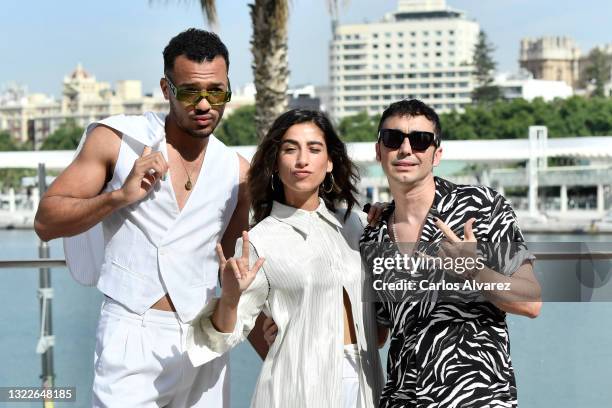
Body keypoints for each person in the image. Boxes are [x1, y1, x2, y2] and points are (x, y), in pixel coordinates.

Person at [34, 28, 265, 407]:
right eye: (190, 92)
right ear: (165, 88)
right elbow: (46, 220)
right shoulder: (119, 141)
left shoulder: (237, 171)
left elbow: (236, 270)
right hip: (132, 336)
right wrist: (119, 197)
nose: (204, 104)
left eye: (217, 92)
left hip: (204, 340)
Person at [186, 109, 386, 407]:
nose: (302, 159)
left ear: (330, 161)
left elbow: (380, 329)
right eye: (290, 149)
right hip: (295, 390)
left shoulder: (358, 226)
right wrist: (228, 298)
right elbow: (220, 339)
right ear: (276, 162)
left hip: (366, 386)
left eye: (314, 149)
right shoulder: (259, 242)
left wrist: (389, 223)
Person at [359, 99, 542, 407]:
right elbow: (377, 333)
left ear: (436, 154)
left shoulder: (481, 206)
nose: (406, 150)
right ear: (378, 151)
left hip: (476, 398)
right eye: (393, 139)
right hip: (403, 398)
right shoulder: (373, 235)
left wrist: (475, 271)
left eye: (420, 140)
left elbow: (531, 302)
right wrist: (290, 321)